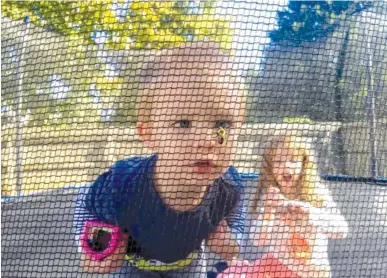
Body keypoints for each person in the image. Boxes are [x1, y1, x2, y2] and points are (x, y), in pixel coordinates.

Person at [73, 41, 247, 278]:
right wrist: (94, 255)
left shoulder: (229, 185)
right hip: (132, 266)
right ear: (149, 134)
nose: (208, 139)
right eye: (183, 123)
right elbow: (87, 203)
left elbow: (236, 224)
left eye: (222, 124)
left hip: (189, 264)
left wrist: (231, 244)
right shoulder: (122, 183)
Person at [219, 135, 349, 278]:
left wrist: (309, 212)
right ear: (270, 167)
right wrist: (267, 214)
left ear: (304, 164)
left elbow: (341, 230)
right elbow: (258, 241)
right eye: (279, 161)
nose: (286, 166)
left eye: (293, 161)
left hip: (312, 272)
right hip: (276, 266)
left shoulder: (317, 193)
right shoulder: (270, 195)